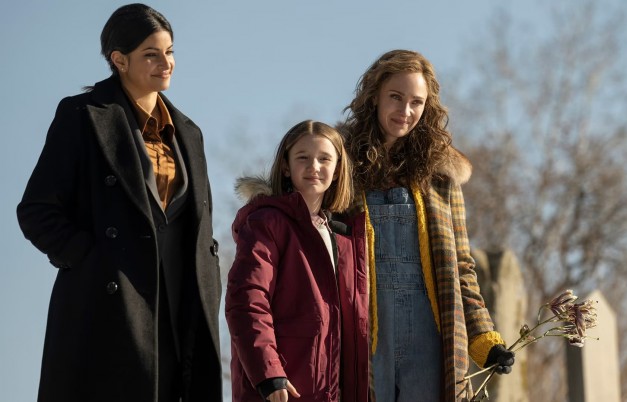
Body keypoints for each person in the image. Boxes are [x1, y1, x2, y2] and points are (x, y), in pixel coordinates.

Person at [16, 4, 222, 401]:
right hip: (108, 308)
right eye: (151, 54)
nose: (166, 63)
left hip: (182, 307)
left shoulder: (189, 133)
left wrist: (209, 279)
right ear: (119, 60)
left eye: (170, 51)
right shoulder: (82, 115)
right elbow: (37, 209)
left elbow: (199, 225)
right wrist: (90, 260)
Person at [340, 49, 515, 402]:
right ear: (374, 96)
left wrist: (485, 339)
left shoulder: (440, 176)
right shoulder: (339, 164)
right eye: (395, 97)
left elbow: (461, 267)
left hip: (430, 341)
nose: (405, 111)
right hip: (362, 336)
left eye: (416, 102)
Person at [225, 120, 369, 402]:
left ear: (338, 169)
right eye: (303, 157)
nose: (314, 166)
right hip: (280, 388)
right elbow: (247, 298)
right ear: (286, 167)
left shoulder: (344, 237)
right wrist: (268, 373)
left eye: (324, 158)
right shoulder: (266, 222)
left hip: (331, 391)